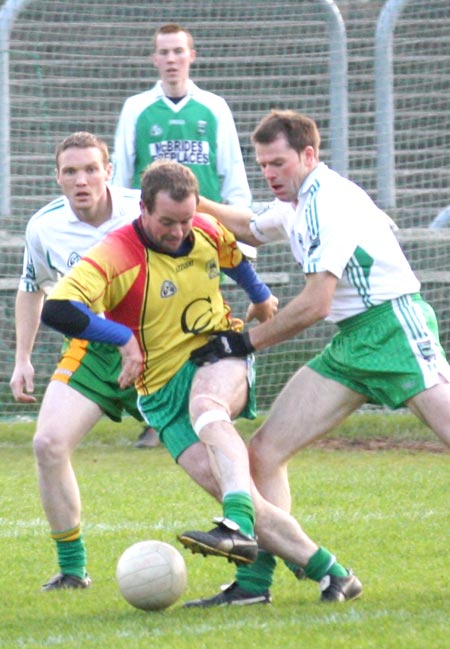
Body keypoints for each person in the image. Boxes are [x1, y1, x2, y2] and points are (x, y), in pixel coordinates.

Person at [42, 158, 363, 606]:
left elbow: (234, 257)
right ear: (144, 212)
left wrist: (261, 297)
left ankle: (233, 525)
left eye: (186, 219)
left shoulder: (206, 229)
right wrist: (122, 339)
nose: (179, 232)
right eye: (167, 222)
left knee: (208, 407)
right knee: (243, 492)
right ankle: (333, 573)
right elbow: (56, 310)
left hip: (215, 354)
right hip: (158, 394)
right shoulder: (116, 253)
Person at [186, 108, 450, 603]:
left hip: (393, 327)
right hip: (351, 343)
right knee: (263, 452)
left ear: (309, 155)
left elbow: (314, 304)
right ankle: (254, 584)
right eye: (262, 164)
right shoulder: (295, 201)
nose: (269, 174)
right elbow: (247, 224)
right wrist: (191, 200)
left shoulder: (328, 201)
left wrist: (242, 342)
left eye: (278, 163)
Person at [9, 132, 161, 591]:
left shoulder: (144, 208)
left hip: (161, 344)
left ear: (109, 171)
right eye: (71, 171)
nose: (82, 180)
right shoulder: (44, 226)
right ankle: (72, 570)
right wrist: (23, 358)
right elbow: (32, 288)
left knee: (210, 454)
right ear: (57, 177)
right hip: (93, 348)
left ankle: (259, 566)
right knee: (48, 444)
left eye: (91, 169)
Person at [112, 22, 256, 449]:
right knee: (159, 322)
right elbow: (121, 178)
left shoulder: (214, 108)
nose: (171, 59)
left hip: (203, 241)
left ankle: (210, 407)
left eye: (178, 51)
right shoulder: (137, 109)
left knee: (204, 320)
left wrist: (241, 240)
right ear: (154, 58)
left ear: (191, 56)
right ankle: (157, 413)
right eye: (163, 52)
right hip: (153, 240)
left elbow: (233, 175)